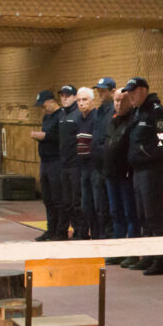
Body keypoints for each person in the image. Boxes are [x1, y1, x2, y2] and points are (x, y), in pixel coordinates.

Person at [124, 76, 163, 275]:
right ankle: (148, 257)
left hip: (151, 172)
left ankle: (160, 261)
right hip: (139, 171)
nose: (130, 96)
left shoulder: (157, 112)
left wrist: (153, 159)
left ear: (143, 90)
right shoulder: (138, 112)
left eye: (133, 92)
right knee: (143, 217)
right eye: (129, 92)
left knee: (154, 216)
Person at [103, 88, 140, 266]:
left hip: (126, 175)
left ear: (130, 101)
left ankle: (132, 252)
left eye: (122, 101)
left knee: (130, 214)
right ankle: (118, 250)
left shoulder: (134, 121)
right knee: (116, 213)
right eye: (116, 101)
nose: (118, 104)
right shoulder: (113, 120)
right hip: (111, 174)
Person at [30, 90, 66, 240]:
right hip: (45, 162)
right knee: (47, 198)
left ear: (52, 101)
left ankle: (61, 230)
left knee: (58, 198)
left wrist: (45, 136)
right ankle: (50, 229)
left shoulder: (61, 116)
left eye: (44, 106)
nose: (43, 110)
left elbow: (61, 138)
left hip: (56, 161)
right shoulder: (47, 117)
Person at [57, 84, 85, 239]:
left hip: (75, 165)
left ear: (74, 97)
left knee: (76, 200)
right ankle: (69, 229)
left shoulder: (78, 115)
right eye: (62, 96)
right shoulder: (61, 115)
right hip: (64, 164)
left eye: (67, 96)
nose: (64, 98)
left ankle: (80, 231)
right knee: (66, 200)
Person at [90, 77, 117, 238]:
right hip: (97, 166)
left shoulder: (114, 111)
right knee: (100, 206)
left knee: (110, 206)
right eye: (98, 90)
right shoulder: (99, 111)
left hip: (109, 166)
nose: (100, 93)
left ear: (112, 92)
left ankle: (110, 237)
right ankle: (101, 236)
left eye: (103, 90)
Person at [75, 87, 100, 239]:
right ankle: (91, 234)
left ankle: (98, 235)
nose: (81, 103)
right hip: (83, 166)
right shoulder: (79, 119)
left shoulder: (96, 118)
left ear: (92, 101)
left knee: (97, 204)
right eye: (78, 100)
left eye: (84, 100)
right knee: (86, 205)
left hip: (94, 166)